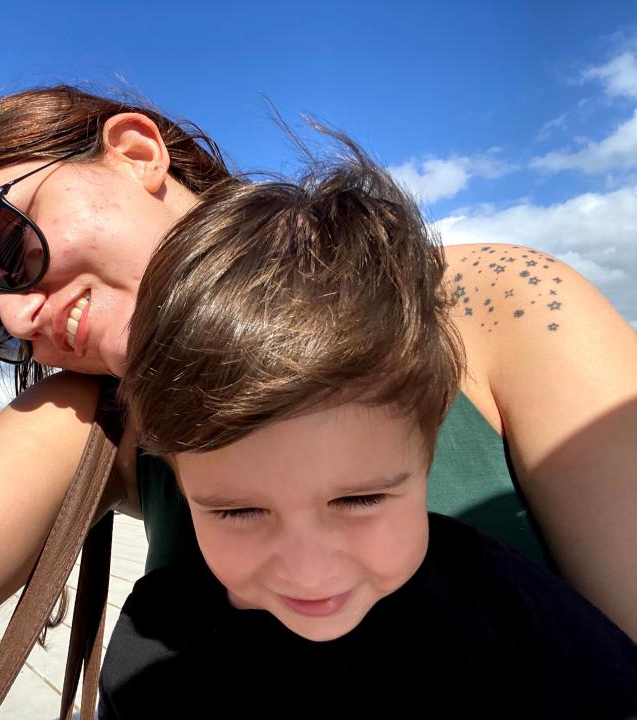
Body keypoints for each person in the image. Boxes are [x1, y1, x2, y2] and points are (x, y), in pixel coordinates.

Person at [0, 85, 635, 718]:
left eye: (12, 247)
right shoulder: (99, 411)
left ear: (136, 152)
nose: (19, 309)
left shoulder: (492, 299)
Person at [101, 151, 637, 718]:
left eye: (359, 499)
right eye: (235, 512)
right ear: (179, 482)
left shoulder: (511, 613)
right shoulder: (153, 644)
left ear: (429, 452)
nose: (308, 571)